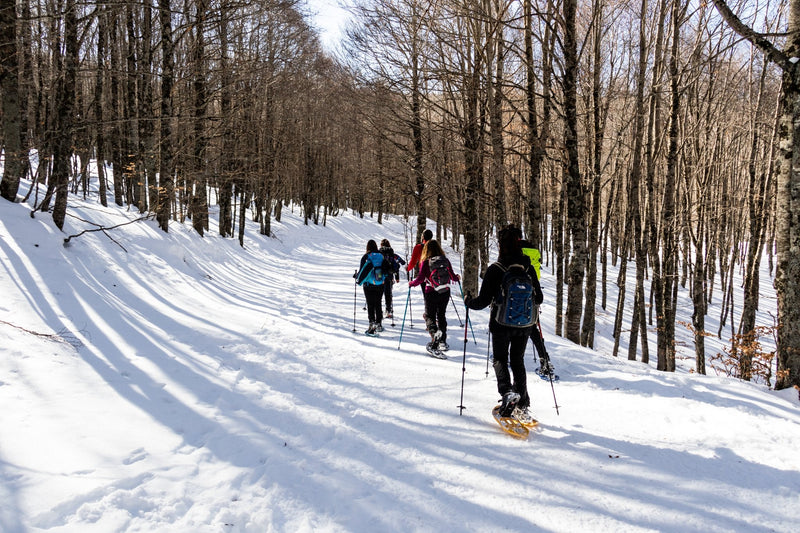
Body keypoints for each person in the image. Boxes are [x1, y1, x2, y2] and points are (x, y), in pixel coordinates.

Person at [464, 225, 543, 421]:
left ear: (501, 245)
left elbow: (482, 302)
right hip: (525, 325)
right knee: (518, 361)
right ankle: (523, 403)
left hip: (500, 324)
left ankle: (507, 393)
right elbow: (539, 298)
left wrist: (468, 301)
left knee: (500, 359)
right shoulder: (529, 268)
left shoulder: (496, 269)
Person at [408, 239, 460, 353]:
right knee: (441, 315)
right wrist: (457, 278)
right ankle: (443, 341)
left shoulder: (426, 262)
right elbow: (452, 275)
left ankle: (435, 334)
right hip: (445, 291)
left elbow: (421, 278)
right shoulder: (445, 260)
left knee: (429, 316)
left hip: (431, 292)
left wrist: (412, 284)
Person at [355, 239, 393, 335]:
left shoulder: (366, 257)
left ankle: (371, 325)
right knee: (378, 303)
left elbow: (362, 271)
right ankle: (379, 324)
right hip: (380, 283)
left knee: (370, 304)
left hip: (368, 285)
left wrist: (356, 277)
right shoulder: (381, 256)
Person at [379, 239, 406, 318]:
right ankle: (389, 310)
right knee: (388, 293)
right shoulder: (392, 254)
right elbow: (402, 262)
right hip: (390, 276)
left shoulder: (378, 254)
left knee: (379, 293)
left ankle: (378, 310)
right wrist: (397, 277)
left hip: (380, 276)